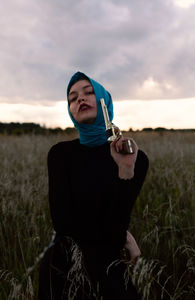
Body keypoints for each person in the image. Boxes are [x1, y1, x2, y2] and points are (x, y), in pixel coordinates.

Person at [38, 71, 149, 299]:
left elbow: (114, 227)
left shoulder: (134, 157)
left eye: (89, 93)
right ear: (70, 110)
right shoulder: (60, 154)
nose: (80, 99)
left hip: (108, 266)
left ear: (104, 102)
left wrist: (125, 169)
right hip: (63, 266)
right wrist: (125, 238)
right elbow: (64, 224)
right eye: (72, 97)